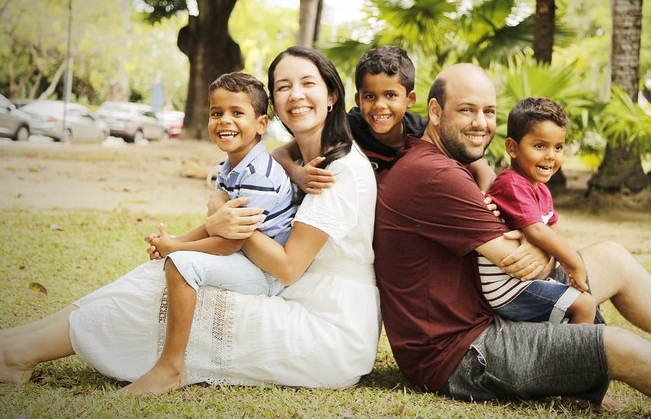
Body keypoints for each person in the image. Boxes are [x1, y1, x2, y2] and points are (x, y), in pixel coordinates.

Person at [373, 63, 651, 416]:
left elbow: (529, 248)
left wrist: (536, 240)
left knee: (611, 257)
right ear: (436, 111)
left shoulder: (439, 160)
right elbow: (518, 260)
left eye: (489, 111)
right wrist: (543, 247)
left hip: (489, 308)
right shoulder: (436, 174)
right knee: (615, 345)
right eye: (467, 110)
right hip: (461, 353)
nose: (481, 123)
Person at [0, 46, 381, 396]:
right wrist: (290, 176)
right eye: (284, 86)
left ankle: (153, 366)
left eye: (307, 84)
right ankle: (15, 344)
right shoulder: (300, 156)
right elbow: (279, 155)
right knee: (156, 275)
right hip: (294, 292)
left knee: (167, 287)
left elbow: (287, 268)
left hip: (327, 324)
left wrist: (220, 214)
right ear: (274, 107)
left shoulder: (339, 172)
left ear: (331, 95)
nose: (296, 94)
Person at [120, 72, 297, 395]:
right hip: (244, 255)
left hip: (265, 271)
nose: (224, 121)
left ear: (261, 124)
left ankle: (171, 367)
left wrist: (177, 250)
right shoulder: (230, 166)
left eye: (236, 113)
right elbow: (219, 225)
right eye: (217, 113)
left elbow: (231, 240)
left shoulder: (259, 174)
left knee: (182, 264)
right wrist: (173, 241)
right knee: (177, 256)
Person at [272, 45, 496, 191]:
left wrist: (483, 199)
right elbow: (280, 152)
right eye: (370, 96)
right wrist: (298, 174)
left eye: (390, 95)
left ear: (409, 99)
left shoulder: (421, 131)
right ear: (358, 99)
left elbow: (481, 167)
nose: (380, 105)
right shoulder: (348, 126)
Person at [479, 97, 596, 324]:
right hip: (506, 290)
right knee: (584, 304)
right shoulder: (511, 184)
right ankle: (578, 357)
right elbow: (537, 231)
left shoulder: (541, 189)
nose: (551, 155)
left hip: (527, 281)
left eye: (558, 147)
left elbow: (552, 230)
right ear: (512, 148)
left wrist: (565, 265)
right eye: (540, 146)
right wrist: (574, 263)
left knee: (581, 297)